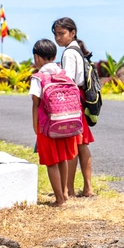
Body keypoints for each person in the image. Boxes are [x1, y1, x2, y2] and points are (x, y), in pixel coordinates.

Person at [30, 39, 79, 206]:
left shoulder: (38, 78)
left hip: (47, 127)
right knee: (63, 159)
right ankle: (64, 193)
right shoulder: (64, 74)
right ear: (55, 55)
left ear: (37, 57)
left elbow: (36, 103)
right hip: (67, 123)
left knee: (51, 163)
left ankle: (59, 200)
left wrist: (35, 125)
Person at [52, 17, 96, 198]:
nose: (58, 38)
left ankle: (68, 189)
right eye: (55, 34)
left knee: (73, 144)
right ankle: (87, 187)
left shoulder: (69, 53)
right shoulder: (78, 50)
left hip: (72, 99)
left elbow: (67, 80)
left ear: (73, 33)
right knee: (82, 143)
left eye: (61, 34)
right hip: (81, 97)